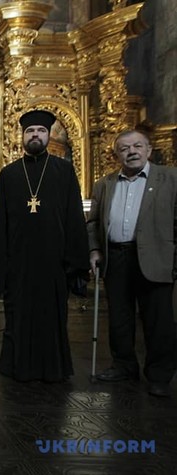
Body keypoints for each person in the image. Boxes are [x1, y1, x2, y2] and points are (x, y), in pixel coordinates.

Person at [0, 110, 89, 382]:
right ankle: (18, 367)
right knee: (17, 316)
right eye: (30, 131)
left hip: (54, 262)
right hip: (18, 263)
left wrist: (76, 263)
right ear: (22, 136)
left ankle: (53, 369)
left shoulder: (64, 171)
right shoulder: (9, 174)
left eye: (40, 131)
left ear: (48, 135)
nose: (35, 135)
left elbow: (74, 218)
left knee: (52, 318)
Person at [87, 129, 177, 398]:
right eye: (124, 148)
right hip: (116, 256)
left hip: (156, 257)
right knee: (119, 317)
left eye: (137, 146)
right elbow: (93, 222)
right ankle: (124, 365)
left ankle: (159, 375)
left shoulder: (170, 178)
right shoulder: (105, 184)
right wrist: (95, 249)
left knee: (157, 319)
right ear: (117, 154)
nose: (132, 152)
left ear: (149, 149)